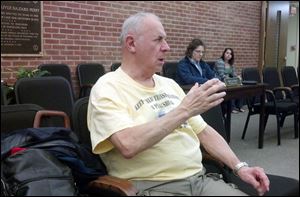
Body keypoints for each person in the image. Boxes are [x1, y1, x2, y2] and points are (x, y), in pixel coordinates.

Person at [87, 12, 269, 196]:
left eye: (165, 40)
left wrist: (240, 167)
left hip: (200, 180)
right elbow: (127, 144)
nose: (166, 47)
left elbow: (203, 132)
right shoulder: (107, 87)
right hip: (152, 187)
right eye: (158, 40)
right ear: (132, 43)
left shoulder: (170, 85)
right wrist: (185, 110)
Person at [215, 48, 245, 113]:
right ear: (224, 53)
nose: (228, 55)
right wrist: (233, 80)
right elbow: (222, 75)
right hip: (220, 81)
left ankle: (239, 106)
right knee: (232, 86)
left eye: (230, 54)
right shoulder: (219, 62)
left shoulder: (230, 64)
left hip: (228, 81)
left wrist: (238, 77)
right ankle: (232, 107)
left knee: (240, 85)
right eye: (227, 53)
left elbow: (234, 74)